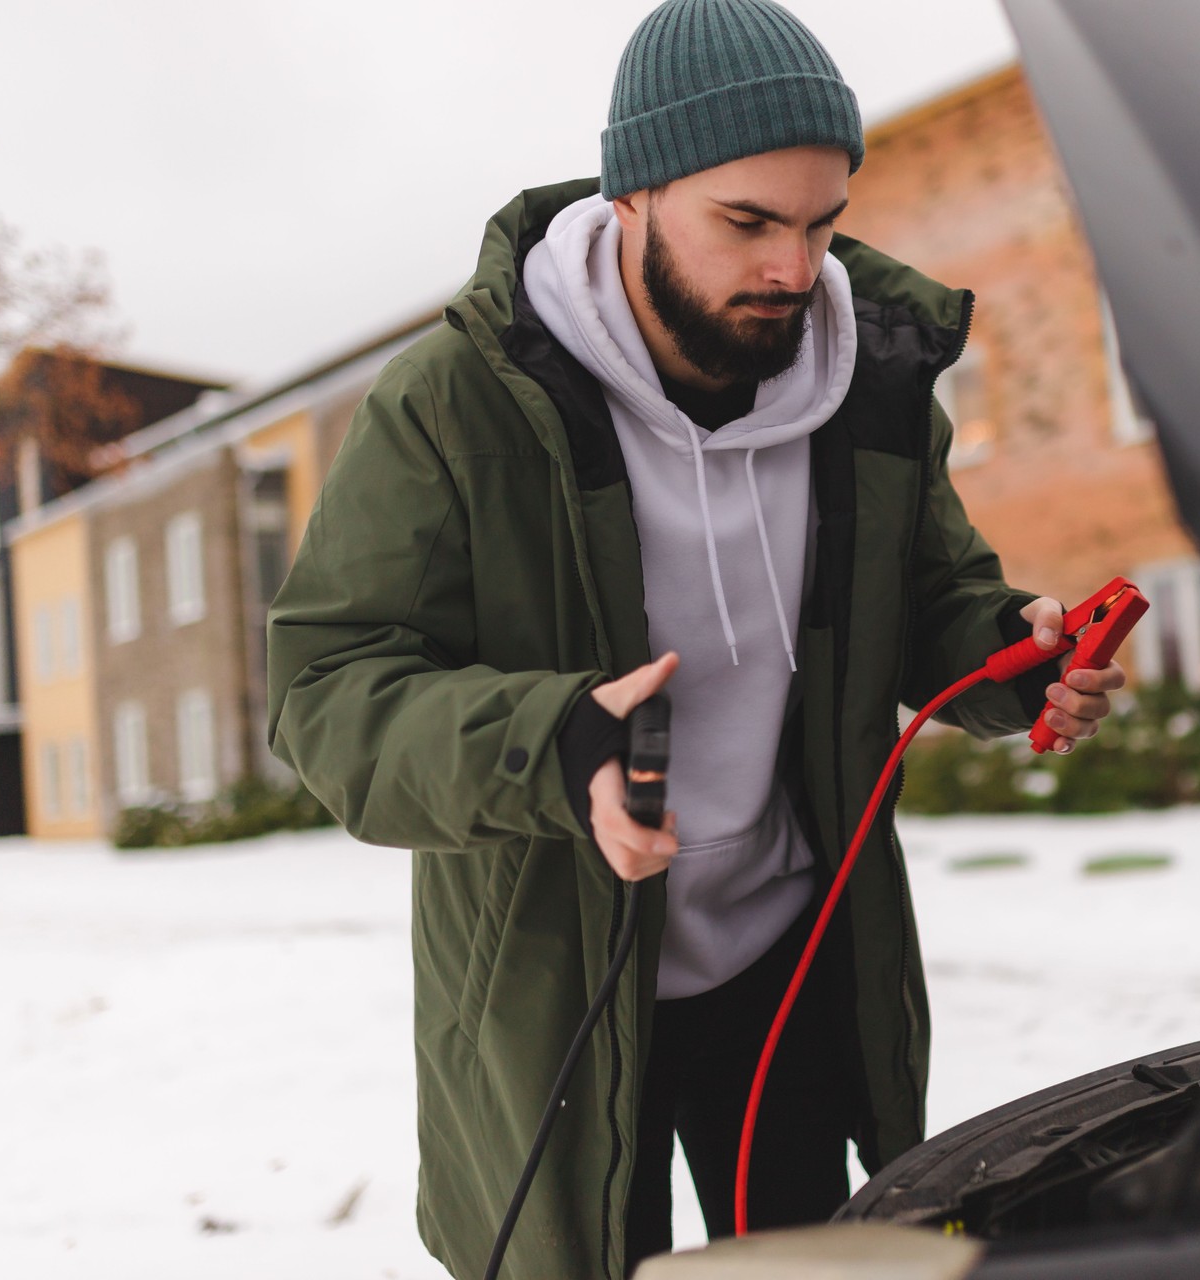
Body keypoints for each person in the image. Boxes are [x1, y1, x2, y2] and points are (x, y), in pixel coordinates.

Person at [265, 1, 1125, 1276]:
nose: (795, 267)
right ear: (634, 196)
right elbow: (326, 696)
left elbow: (926, 605)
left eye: (823, 223)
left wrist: (1014, 649)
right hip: (558, 979)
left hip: (788, 954)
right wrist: (553, 742)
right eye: (749, 223)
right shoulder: (458, 400)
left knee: (799, 1266)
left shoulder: (865, 385)